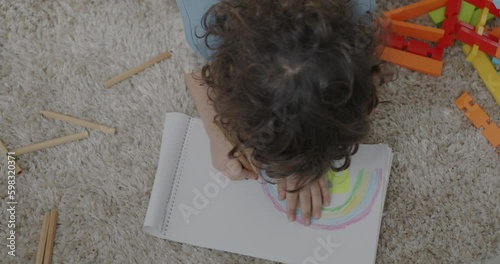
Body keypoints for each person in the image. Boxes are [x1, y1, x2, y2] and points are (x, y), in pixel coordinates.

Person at [178, 0, 381, 226]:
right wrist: (214, 128)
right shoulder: (205, 18)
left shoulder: (359, 12)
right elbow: (191, 59)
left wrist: (303, 161)